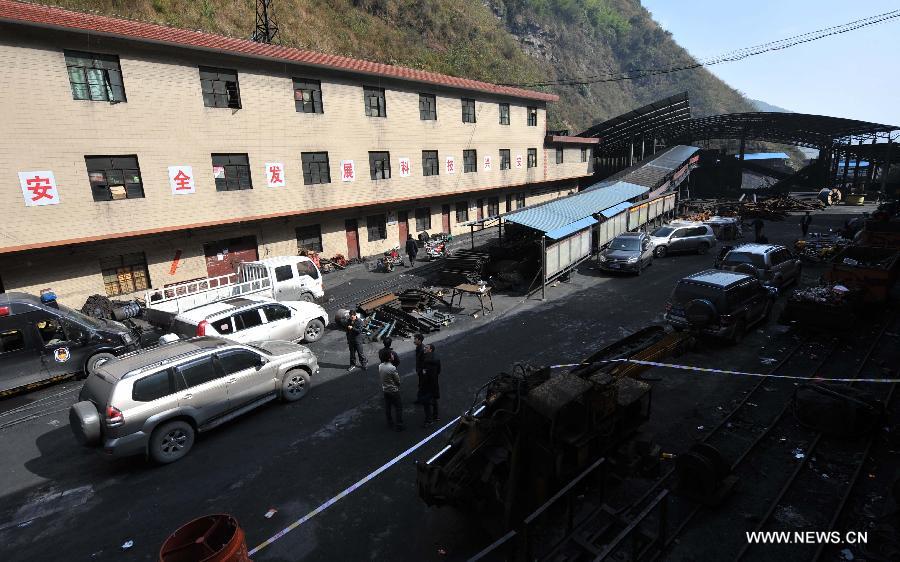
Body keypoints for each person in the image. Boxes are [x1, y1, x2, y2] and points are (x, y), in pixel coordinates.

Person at [379, 352, 403, 431]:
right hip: (393, 390)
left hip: (385, 390)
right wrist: (398, 385)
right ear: (389, 358)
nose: (393, 355)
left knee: (388, 406)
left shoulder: (380, 366)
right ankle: (399, 425)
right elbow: (397, 380)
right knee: (398, 407)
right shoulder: (392, 368)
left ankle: (389, 421)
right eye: (392, 355)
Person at [420, 343, 441, 427]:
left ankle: (428, 420)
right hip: (434, 384)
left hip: (427, 385)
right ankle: (435, 416)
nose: (424, 348)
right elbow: (439, 371)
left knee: (426, 403)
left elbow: (424, 373)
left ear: (430, 349)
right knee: (434, 399)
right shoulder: (437, 358)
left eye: (426, 347)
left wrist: (423, 373)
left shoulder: (425, 360)